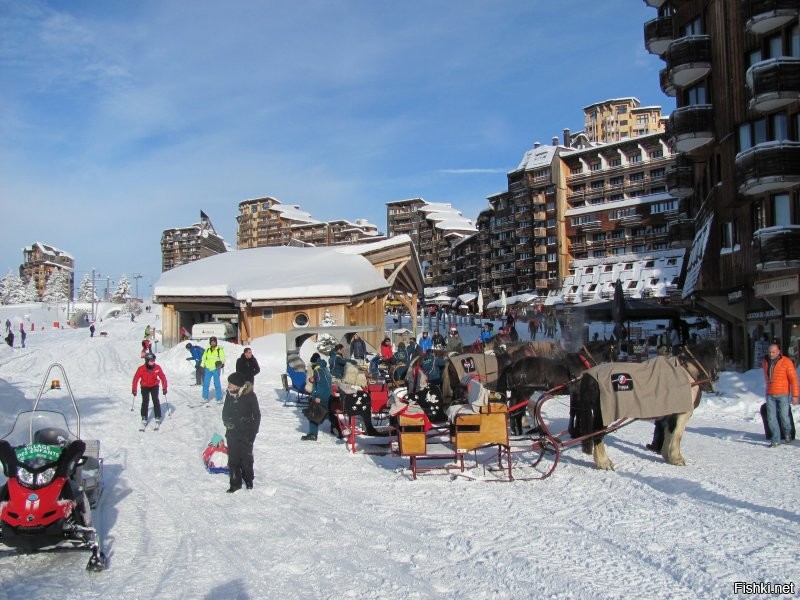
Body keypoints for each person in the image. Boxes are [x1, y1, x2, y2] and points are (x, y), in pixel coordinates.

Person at [222, 372, 260, 492]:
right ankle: (235, 483)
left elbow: (257, 415)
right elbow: (225, 412)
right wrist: (227, 422)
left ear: (238, 386)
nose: (228, 386)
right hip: (232, 432)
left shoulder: (250, 396)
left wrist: (253, 433)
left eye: (231, 384)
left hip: (246, 432)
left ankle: (248, 479)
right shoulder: (229, 395)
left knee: (246, 458)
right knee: (233, 458)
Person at [763, 343, 800, 447]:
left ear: (779, 352)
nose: (771, 354)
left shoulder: (786, 362)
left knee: (784, 416)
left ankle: (787, 432)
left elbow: (793, 379)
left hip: (783, 393)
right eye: (769, 352)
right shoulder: (765, 361)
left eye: (773, 352)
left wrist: (795, 395)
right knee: (771, 418)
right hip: (770, 394)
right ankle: (775, 439)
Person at [301, 353, 333, 441]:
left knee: (313, 415)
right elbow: (323, 382)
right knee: (329, 414)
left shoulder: (317, 371)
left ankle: (313, 434)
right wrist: (313, 379)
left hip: (321, 396)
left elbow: (320, 386)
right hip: (328, 395)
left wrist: (316, 396)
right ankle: (338, 430)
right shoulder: (325, 369)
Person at [131, 352, 168, 428]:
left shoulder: (157, 367)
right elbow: (135, 379)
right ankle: (144, 417)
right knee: (145, 401)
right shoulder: (141, 369)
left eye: (154, 360)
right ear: (147, 361)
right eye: (151, 361)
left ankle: (157, 416)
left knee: (155, 400)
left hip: (154, 385)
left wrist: (164, 388)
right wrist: (134, 389)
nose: (153, 362)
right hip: (144, 386)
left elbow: (163, 377)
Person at [201, 336, 226, 403]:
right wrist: (202, 365)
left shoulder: (219, 349)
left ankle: (219, 398)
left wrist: (222, 363)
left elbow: (222, 357)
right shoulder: (207, 349)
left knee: (217, 384)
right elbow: (204, 358)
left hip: (216, 369)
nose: (213, 343)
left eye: (214, 342)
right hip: (208, 369)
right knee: (206, 384)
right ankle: (205, 397)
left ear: (216, 342)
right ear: (210, 342)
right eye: (211, 342)